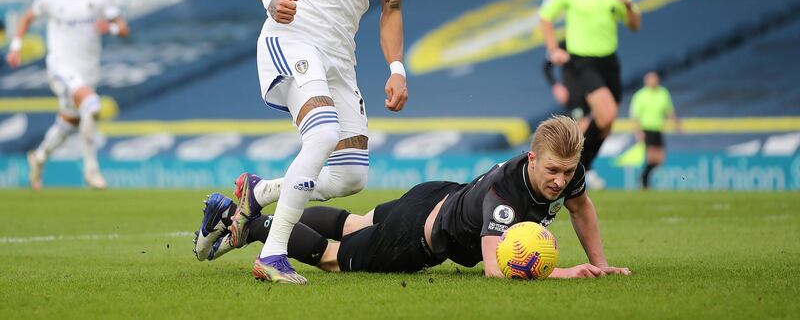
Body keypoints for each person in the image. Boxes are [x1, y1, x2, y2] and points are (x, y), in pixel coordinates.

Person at [229, 0, 412, 284]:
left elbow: (391, 10)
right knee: (323, 133)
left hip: (339, 57)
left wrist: (397, 68)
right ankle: (273, 255)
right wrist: (272, 1)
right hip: (291, 37)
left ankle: (261, 191)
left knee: (351, 175)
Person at [194, 116, 630, 280]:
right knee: (333, 254)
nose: (560, 180)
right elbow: (497, 270)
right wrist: (568, 271)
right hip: (416, 237)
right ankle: (246, 222)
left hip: (437, 195)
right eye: (551, 170)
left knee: (353, 223)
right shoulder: (505, 199)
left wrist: (600, 260)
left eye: (567, 172)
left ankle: (252, 207)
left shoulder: (567, 171)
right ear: (532, 158)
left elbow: (582, 207)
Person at [5, 0, 129, 190]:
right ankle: (91, 170)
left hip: (87, 72)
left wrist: (110, 28)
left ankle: (39, 157)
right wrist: (16, 47)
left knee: (68, 123)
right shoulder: (51, 0)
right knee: (92, 105)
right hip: (60, 68)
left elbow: (123, 28)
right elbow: (27, 18)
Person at [539, 0, 641, 189]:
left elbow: (634, 25)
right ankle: (575, 167)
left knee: (606, 124)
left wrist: (628, 6)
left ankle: (583, 169)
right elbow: (545, 17)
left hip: (609, 61)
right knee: (605, 113)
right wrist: (553, 49)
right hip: (582, 61)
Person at [630, 72, 682, 189]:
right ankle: (644, 182)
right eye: (650, 79)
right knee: (652, 157)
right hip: (646, 129)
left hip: (658, 129)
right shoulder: (640, 95)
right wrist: (638, 131)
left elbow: (669, 110)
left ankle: (643, 176)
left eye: (655, 79)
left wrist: (676, 123)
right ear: (646, 81)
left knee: (660, 159)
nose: (653, 82)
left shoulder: (663, 93)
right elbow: (635, 115)